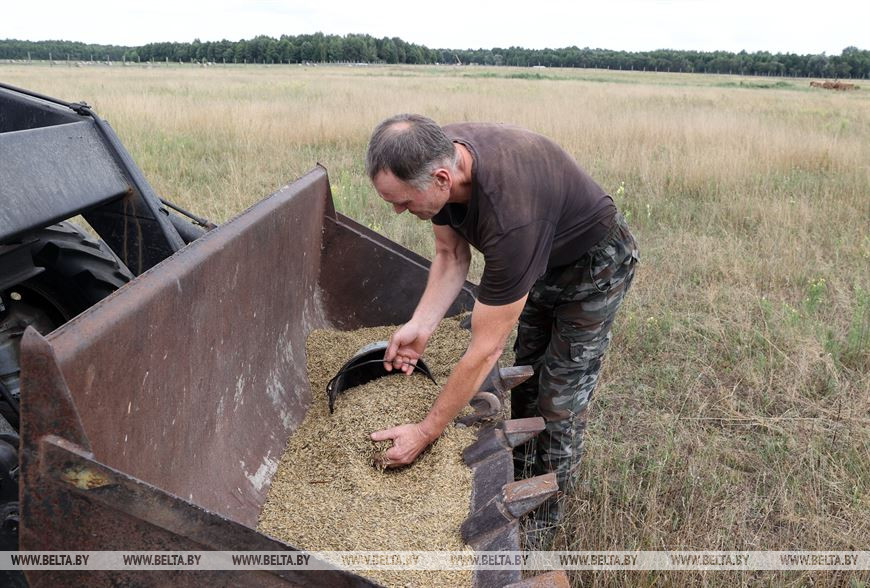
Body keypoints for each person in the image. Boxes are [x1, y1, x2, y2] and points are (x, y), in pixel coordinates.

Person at [365, 113, 638, 544]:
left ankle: (542, 522)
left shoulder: (512, 216)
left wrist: (425, 431)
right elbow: (451, 255)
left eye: (402, 201)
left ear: (441, 178)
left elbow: (484, 350)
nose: (399, 211)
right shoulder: (437, 158)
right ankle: (523, 472)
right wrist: (421, 325)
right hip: (543, 260)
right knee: (530, 373)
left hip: (592, 267)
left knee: (559, 397)